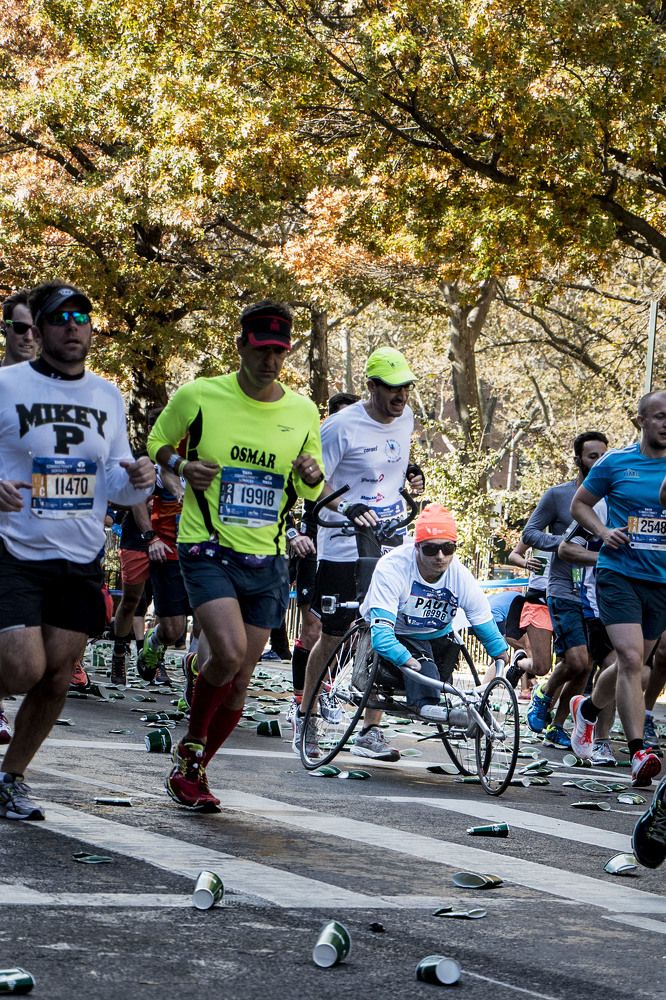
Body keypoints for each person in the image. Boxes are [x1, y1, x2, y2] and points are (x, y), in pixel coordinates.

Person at [147, 299, 325, 811]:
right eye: (262, 348)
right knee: (224, 653)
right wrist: (181, 464)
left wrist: (312, 478)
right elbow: (157, 439)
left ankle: (194, 767)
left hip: (266, 559)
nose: (271, 360)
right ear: (241, 344)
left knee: (240, 686)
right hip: (206, 546)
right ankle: (192, 749)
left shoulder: (302, 411)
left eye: (280, 352)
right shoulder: (200, 396)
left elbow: (309, 489)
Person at [0, 280, 154, 820]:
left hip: (80, 555)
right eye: (60, 318)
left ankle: (11, 777)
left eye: (82, 317)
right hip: (14, 549)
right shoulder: (6, 385)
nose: (72, 326)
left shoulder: (106, 396)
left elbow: (116, 481)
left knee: (57, 675)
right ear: (38, 330)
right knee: (21, 668)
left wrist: (141, 479)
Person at [295, 347, 424, 761]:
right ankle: (307, 715)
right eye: (391, 388)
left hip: (390, 537)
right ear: (371, 387)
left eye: (405, 388)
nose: (400, 396)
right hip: (343, 541)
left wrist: (408, 484)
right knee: (334, 634)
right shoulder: (339, 427)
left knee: (384, 626)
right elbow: (311, 482)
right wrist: (347, 506)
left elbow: (394, 465)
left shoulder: (406, 419)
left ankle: (370, 728)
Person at [569, 392, 666, 787]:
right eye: (660, 416)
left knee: (636, 665)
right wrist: (603, 531)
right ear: (640, 419)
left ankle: (588, 710)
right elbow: (580, 505)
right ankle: (639, 751)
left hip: (660, 579)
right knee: (628, 658)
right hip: (618, 573)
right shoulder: (616, 463)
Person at [359, 504, 509, 718]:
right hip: (400, 632)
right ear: (417, 547)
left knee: (443, 665)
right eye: (430, 549)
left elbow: (481, 618)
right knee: (423, 668)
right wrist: (406, 660)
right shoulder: (393, 568)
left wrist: (499, 652)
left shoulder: (459, 575)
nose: (440, 556)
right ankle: (426, 706)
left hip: (438, 634)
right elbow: (382, 638)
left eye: (447, 549)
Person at [523, 431, 609, 748]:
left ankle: (557, 726)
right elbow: (530, 533)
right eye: (592, 456)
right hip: (563, 587)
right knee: (575, 661)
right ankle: (544, 694)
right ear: (578, 460)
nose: (599, 462)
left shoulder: (613, 498)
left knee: (587, 666)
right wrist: (563, 544)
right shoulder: (557, 496)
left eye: (604, 456)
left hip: (599, 592)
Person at [0, 290, 39, 745]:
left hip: (40, 535)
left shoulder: (65, 393)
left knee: (34, 658)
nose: (29, 337)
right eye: (20, 328)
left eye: (36, 328)